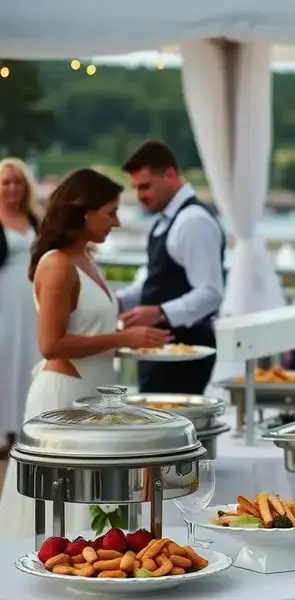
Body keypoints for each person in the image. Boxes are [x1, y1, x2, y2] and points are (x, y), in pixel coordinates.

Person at [0, 168, 171, 540]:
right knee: (64, 504)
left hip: (94, 396)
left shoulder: (86, 261)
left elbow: (87, 330)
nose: (117, 221)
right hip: (64, 397)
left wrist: (126, 335)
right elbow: (52, 344)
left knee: (94, 504)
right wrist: (120, 339)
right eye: (110, 212)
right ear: (84, 212)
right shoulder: (58, 264)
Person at [116, 141, 225, 394]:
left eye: (145, 186)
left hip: (184, 354)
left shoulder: (193, 222)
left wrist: (160, 312)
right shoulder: (165, 220)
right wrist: (118, 302)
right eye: (135, 188)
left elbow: (211, 292)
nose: (140, 196)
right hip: (162, 351)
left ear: (170, 175)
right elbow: (154, 280)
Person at [0, 158, 42, 456]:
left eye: (18, 181)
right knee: (4, 361)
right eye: (6, 182)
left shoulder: (34, 218)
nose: (13, 187)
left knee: (29, 360)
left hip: (32, 302)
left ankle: (23, 426)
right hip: (3, 301)